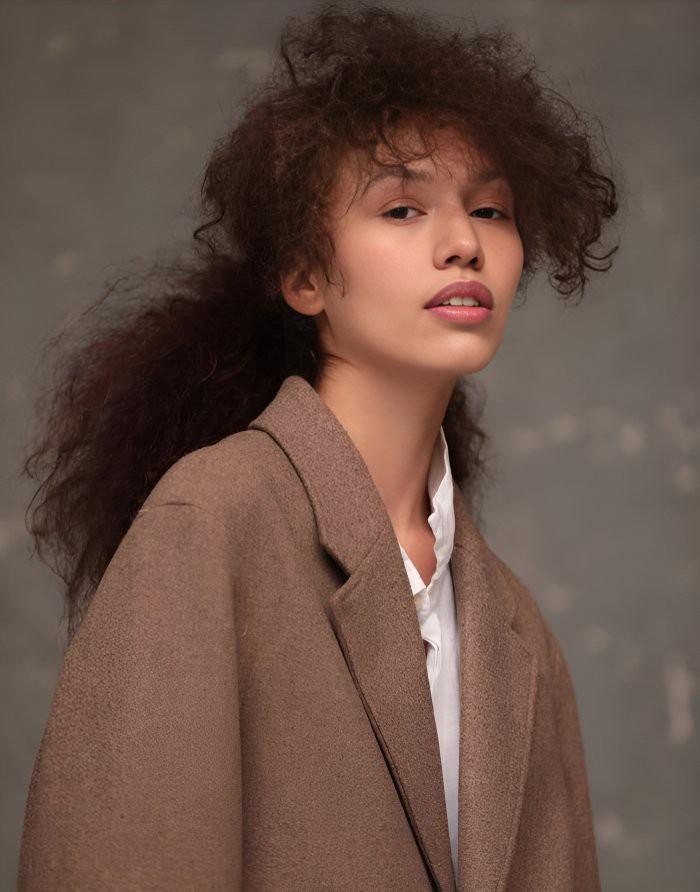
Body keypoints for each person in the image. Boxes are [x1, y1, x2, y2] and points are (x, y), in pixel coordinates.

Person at [17, 2, 619, 889]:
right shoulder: (209, 525)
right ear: (304, 276)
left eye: (491, 209)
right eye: (402, 208)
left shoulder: (518, 633)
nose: (464, 244)